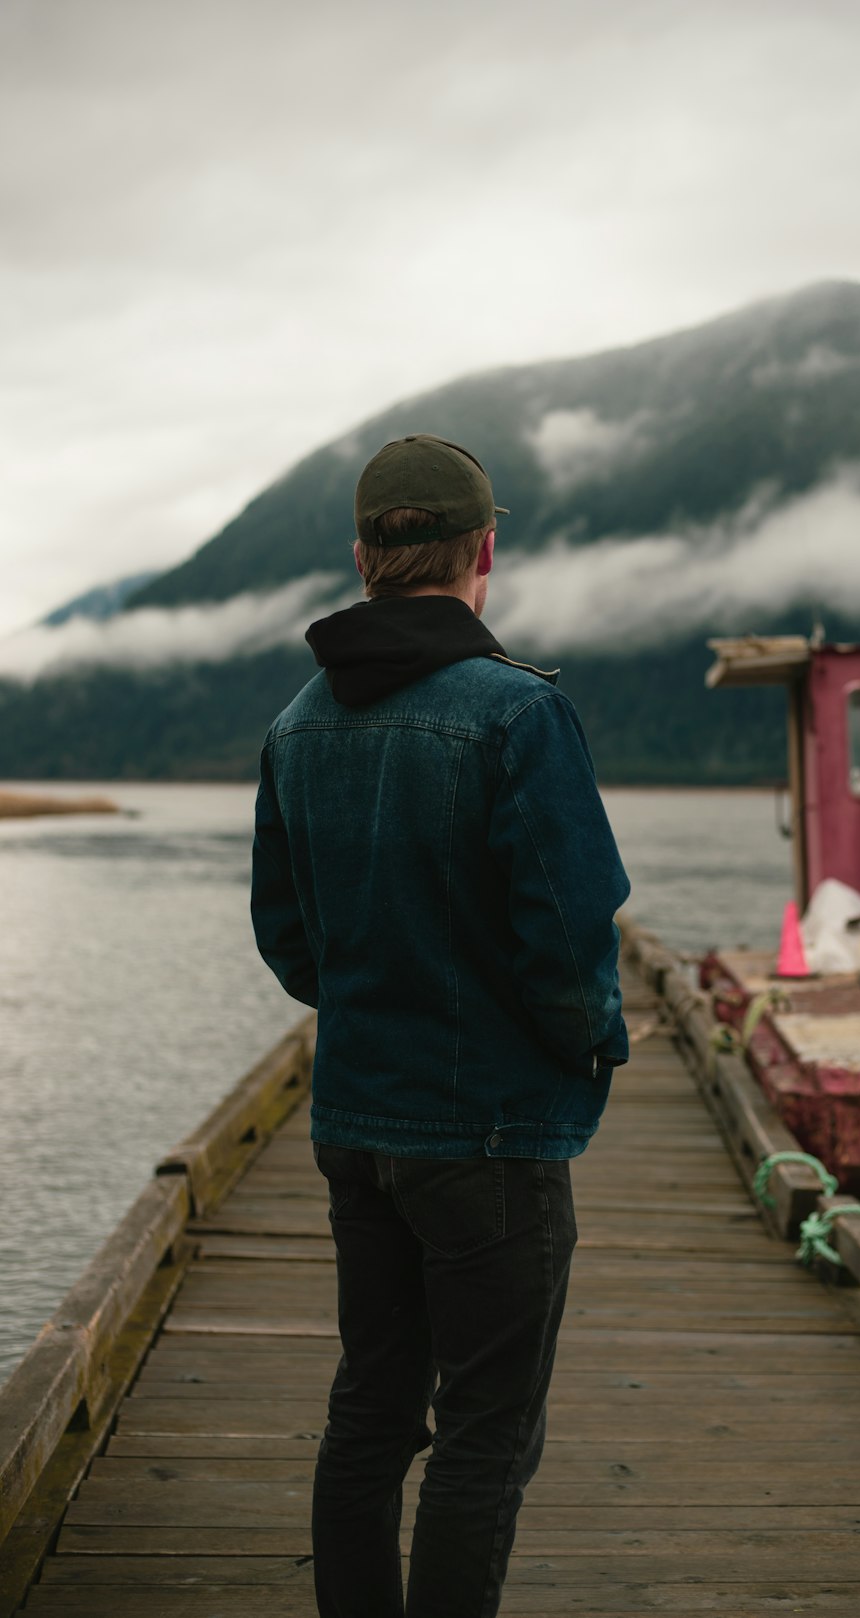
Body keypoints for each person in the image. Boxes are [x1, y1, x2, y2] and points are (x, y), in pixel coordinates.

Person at [250, 433, 630, 1618]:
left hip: (359, 1125)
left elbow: (290, 942)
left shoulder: (295, 724)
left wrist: (381, 999)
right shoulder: (519, 716)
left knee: (369, 1411)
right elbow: (569, 942)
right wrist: (590, 1050)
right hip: (492, 1140)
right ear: (485, 552)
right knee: (483, 1435)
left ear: (364, 555)